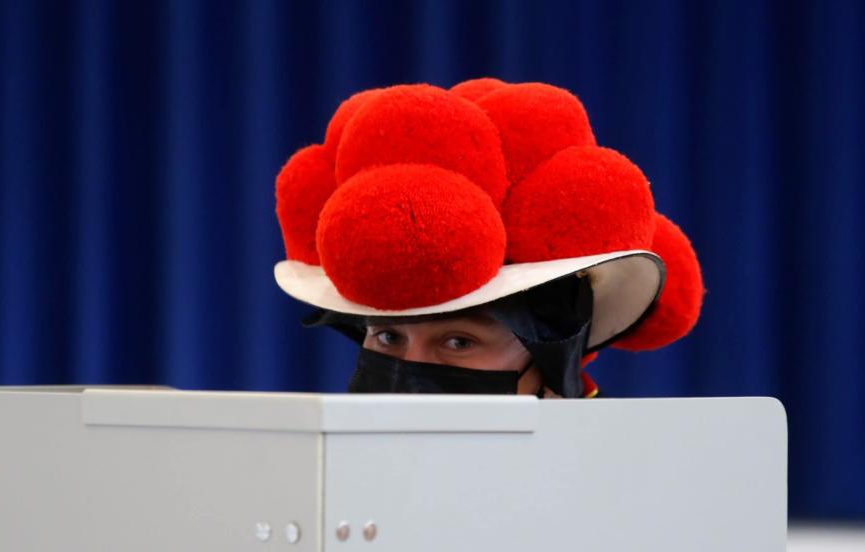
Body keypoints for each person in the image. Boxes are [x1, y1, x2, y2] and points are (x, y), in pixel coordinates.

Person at [273, 79, 705, 397]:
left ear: (555, 356)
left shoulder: (642, 496)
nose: (410, 370)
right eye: (388, 337)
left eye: (459, 341)